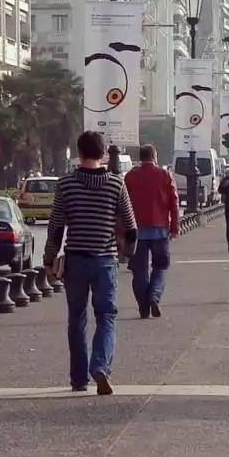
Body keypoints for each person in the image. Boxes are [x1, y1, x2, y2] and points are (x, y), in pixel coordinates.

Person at [44, 131, 138, 395]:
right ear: (104, 153)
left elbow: (56, 227)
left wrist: (50, 259)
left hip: (76, 260)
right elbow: (131, 228)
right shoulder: (116, 184)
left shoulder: (65, 184)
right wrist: (127, 254)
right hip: (105, 260)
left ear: (79, 152)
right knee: (107, 315)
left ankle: (78, 379)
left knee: (77, 319)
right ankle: (100, 366)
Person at [122, 144, 180, 318]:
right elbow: (174, 203)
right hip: (160, 229)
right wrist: (174, 227)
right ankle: (154, 295)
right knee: (161, 266)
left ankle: (143, 305)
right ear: (154, 156)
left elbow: (123, 204)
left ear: (140, 157)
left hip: (136, 229)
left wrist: (122, 230)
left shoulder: (131, 176)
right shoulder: (164, 175)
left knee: (139, 270)